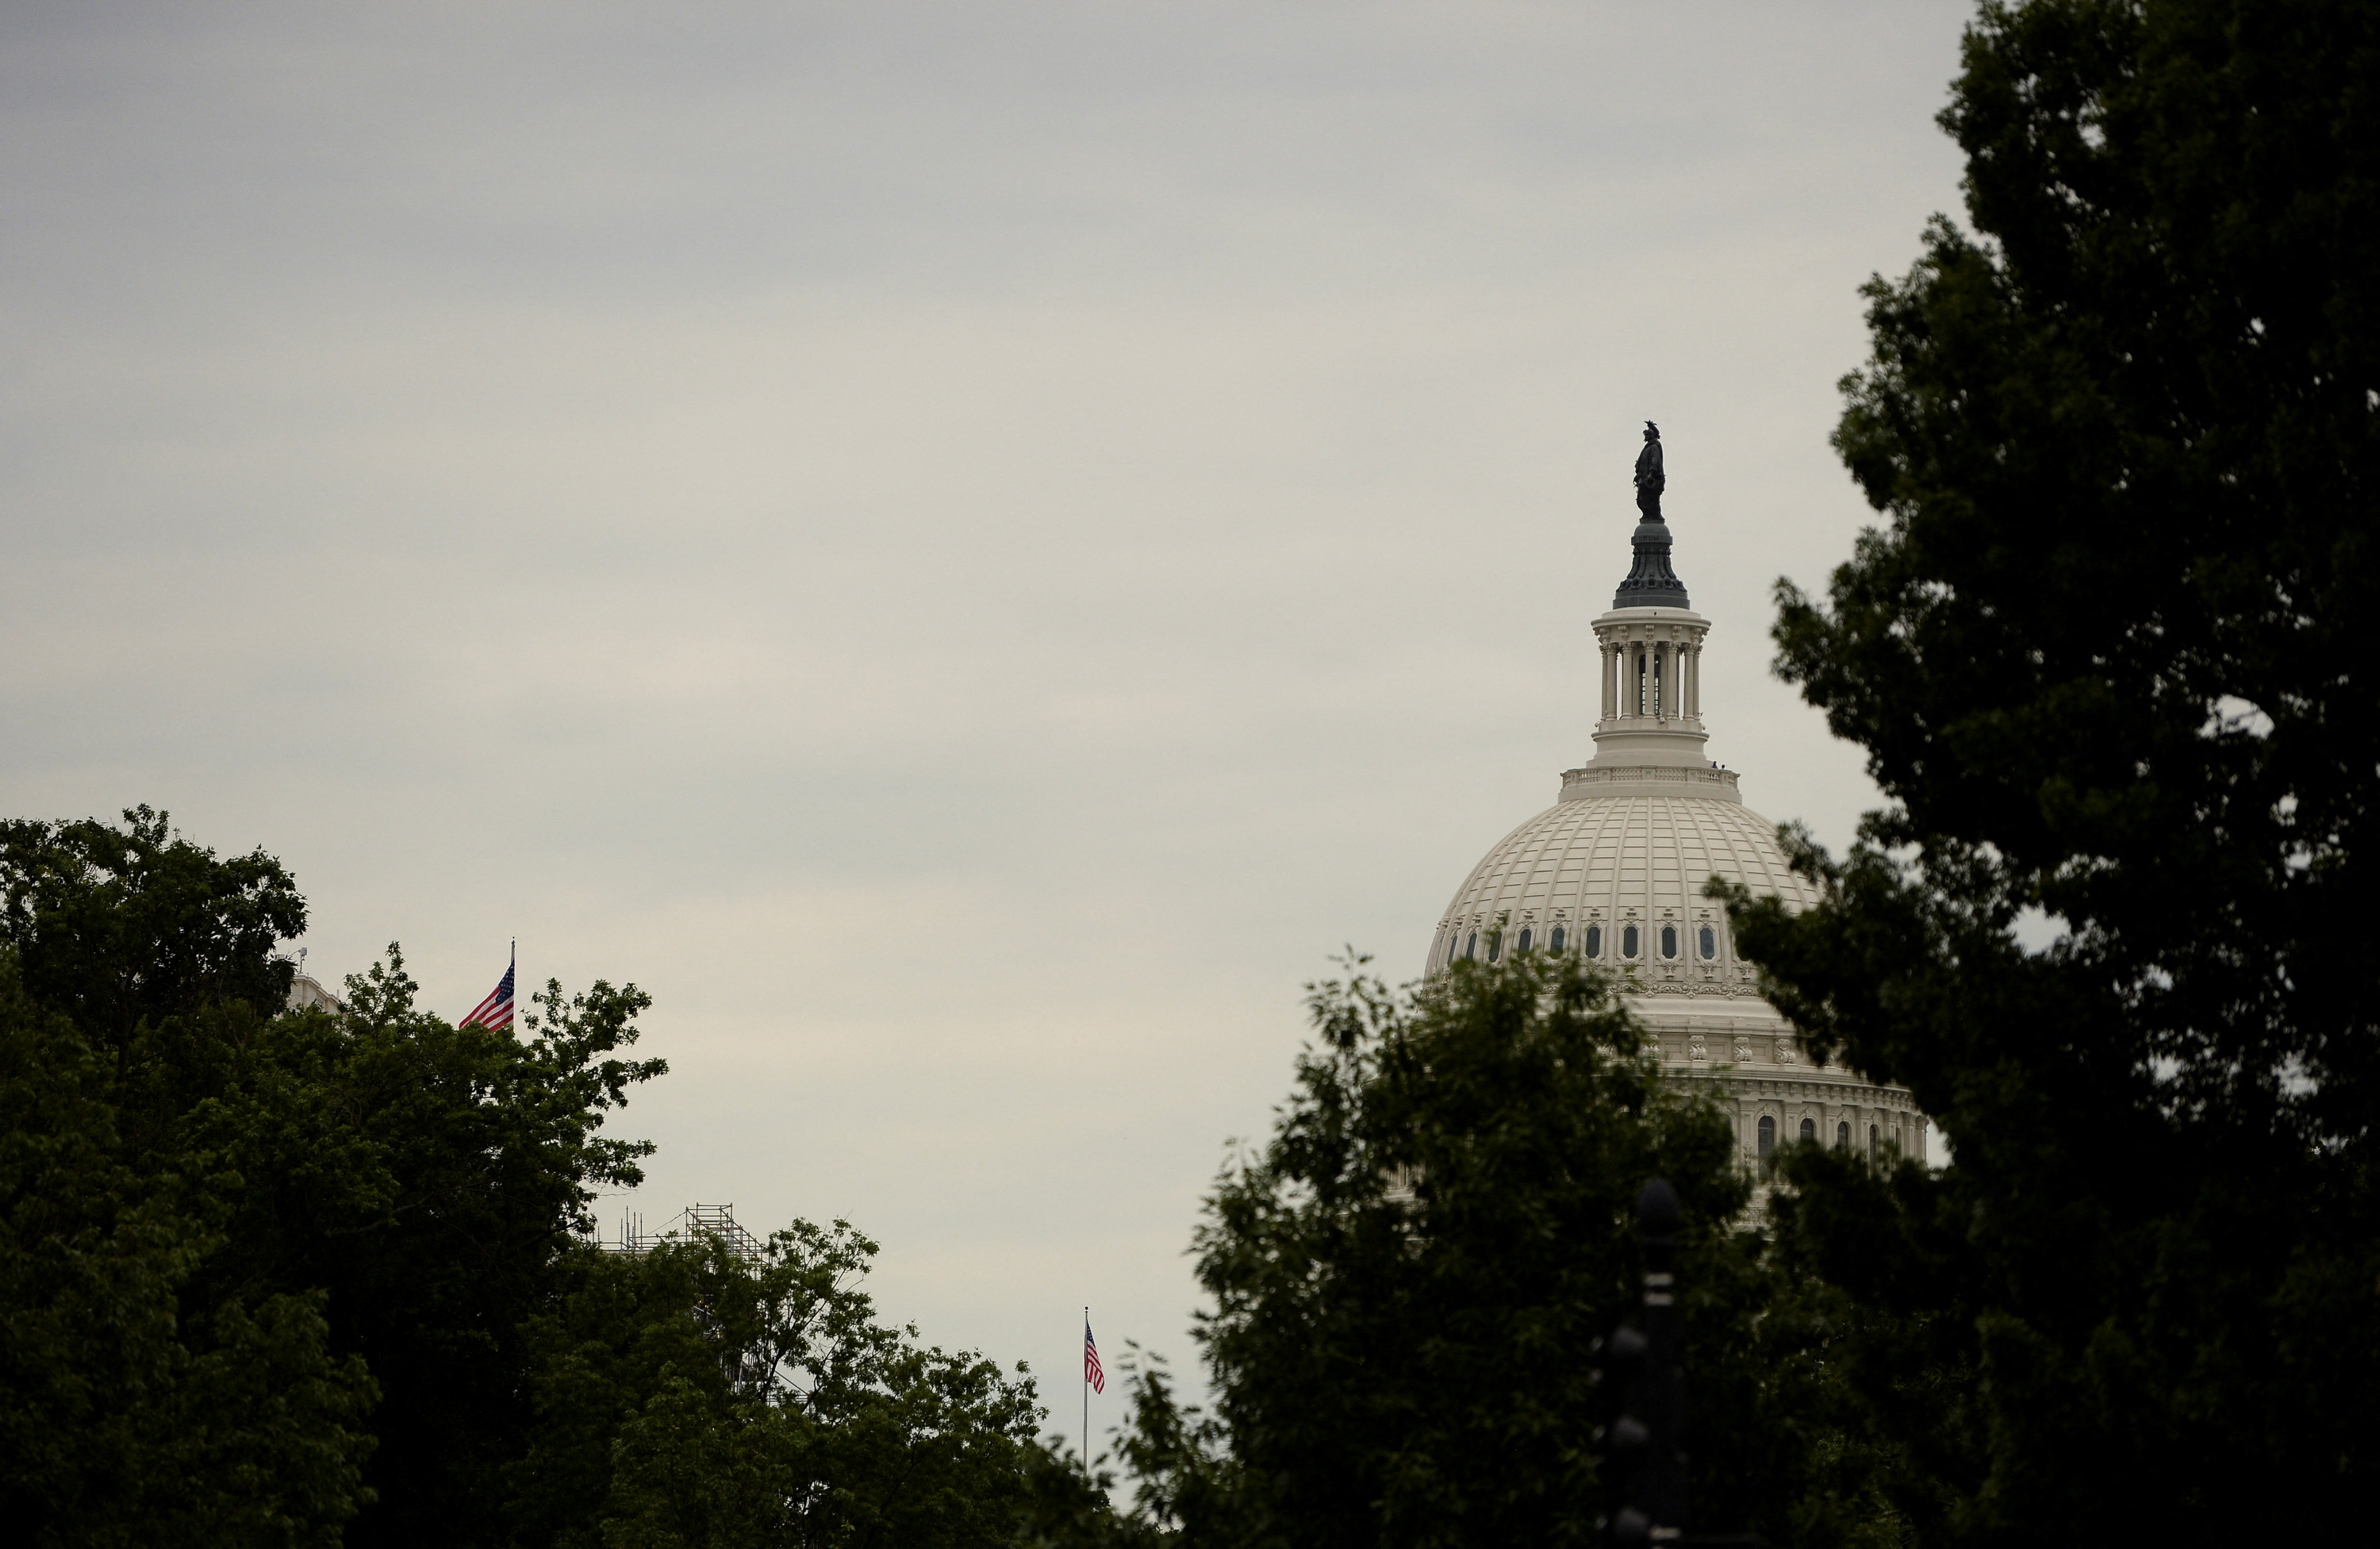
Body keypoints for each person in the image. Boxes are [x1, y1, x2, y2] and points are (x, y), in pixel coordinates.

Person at [1633, 420, 1664, 521]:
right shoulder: (1647, 448)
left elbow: (1654, 462)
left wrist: (1651, 474)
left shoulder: (1654, 447)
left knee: (1652, 500)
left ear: (1651, 436)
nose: (1645, 437)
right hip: (1643, 479)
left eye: (1647, 435)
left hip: (1651, 480)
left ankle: (1655, 516)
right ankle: (1647, 516)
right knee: (1642, 500)